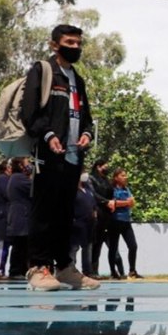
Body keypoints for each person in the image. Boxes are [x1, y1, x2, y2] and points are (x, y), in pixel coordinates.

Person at [20, 24, 99, 291]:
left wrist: (87, 133)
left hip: (73, 158)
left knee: (66, 213)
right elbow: (29, 112)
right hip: (47, 155)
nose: (75, 47)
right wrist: (48, 134)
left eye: (78, 43)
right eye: (69, 42)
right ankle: (38, 268)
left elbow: (87, 118)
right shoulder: (42, 71)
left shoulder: (77, 78)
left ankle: (64, 267)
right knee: (43, 212)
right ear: (55, 44)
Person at [107, 167, 141, 279]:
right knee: (113, 248)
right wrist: (125, 202)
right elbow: (112, 203)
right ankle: (113, 272)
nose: (125, 177)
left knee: (133, 246)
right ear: (116, 178)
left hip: (126, 221)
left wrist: (125, 203)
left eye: (125, 175)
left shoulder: (127, 189)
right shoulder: (111, 189)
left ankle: (132, 271)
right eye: (122, 175)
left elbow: (132, 203)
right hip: (114, 221)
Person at [5, 156, 32, 281]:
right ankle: (15, 271)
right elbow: (34, 189)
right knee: (20, 245)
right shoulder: (20, 178)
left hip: (20, 215)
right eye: (27, 163)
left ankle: (20, 270)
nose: (29, 165)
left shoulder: (15, 178)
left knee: (23, 245)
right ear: (21, 165)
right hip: (21, 215)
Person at [89, 158, 115, 278]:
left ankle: (98, 270)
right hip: (97, 213)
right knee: (95, 243)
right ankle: (91, 270)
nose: (107, 167)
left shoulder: (106, 180)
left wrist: (113, 202)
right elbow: (93, 194)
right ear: (98, 167)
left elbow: (112, 193)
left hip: (108, 214)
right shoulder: (91, 178)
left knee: (100, 244)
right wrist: (106, 202)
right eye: (105, 165)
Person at [70, 169, 97, 279]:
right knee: (74, 247)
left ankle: (88, 271)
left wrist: (94, 212)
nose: (84, 175)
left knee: (88, 247)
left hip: (89, 223)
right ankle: (71, 270)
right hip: (77, 222)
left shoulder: (87, 188)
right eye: (82, 172)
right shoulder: (71, 190)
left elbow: (93, 202)